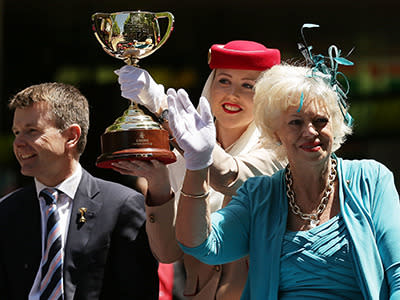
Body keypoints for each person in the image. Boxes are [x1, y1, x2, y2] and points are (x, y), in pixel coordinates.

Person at [170, 59, 400, 299]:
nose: (310, 131)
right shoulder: (260, 195)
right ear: (275, 132)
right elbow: (200, 244)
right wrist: (197, 164)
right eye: (295, 122)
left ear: (336, 124)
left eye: (320, 121)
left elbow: (398, 274)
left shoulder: (370, 179)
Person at [112, 40, 286, 299]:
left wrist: (160, 103)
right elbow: (169, 252)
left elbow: (227, 175)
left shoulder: (278, 150)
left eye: (248, 85)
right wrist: (158, 184)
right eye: (224, 81)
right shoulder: (185, 149)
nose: (232, 95)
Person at [0, 82, 159, 300]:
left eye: (32, 131)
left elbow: (138, 290)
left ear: (71, 136)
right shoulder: (7, 211)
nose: (18, 142)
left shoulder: (122, 205)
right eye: (17, 132)